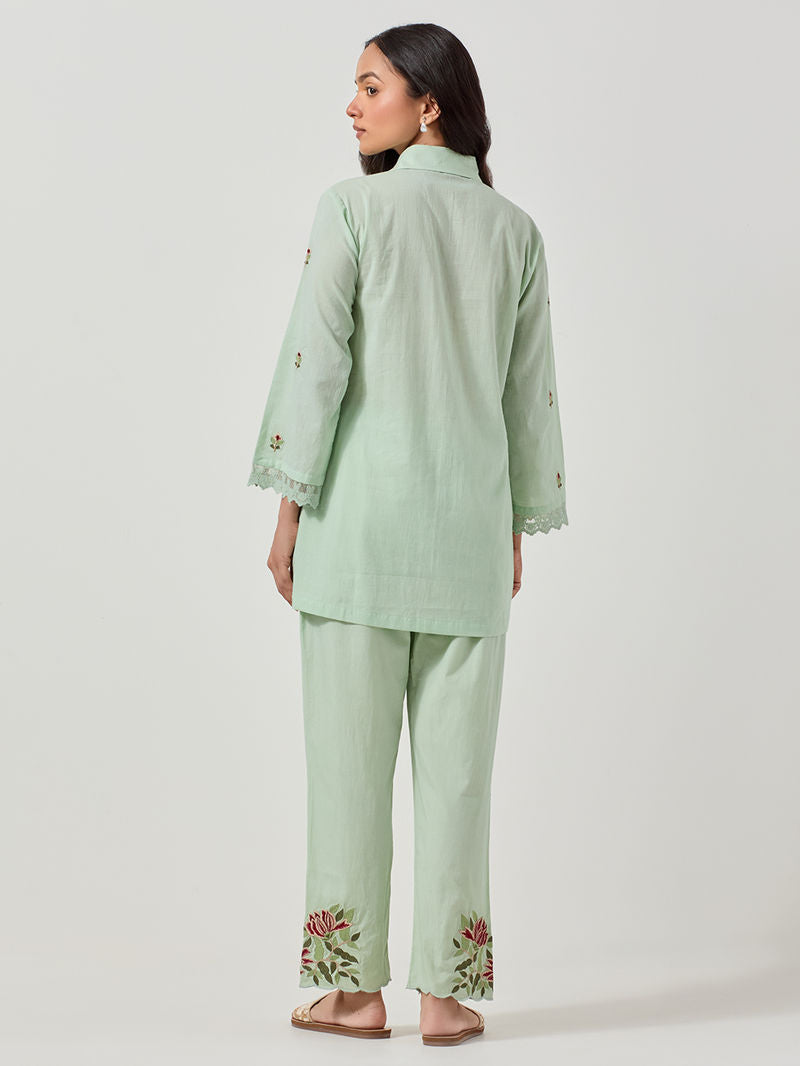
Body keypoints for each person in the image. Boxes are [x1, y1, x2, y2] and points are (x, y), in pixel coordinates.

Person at [247, 23, 568, 1046]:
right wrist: (515, 527)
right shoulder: (515, 231)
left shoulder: (352, 209)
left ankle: (350, 992)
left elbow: (316, 365)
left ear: (428, 103)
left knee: (347, 775)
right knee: (459, 782)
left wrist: (288, 506)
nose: (351, 105)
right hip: (467, 543)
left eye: (369, 86)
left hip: (356, 537)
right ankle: (446, 994)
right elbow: (528, 400)